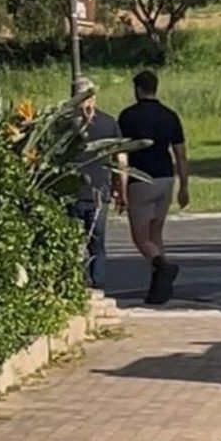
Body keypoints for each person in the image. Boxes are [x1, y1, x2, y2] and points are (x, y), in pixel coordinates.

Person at [118, 70, 189, 305]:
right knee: (156, 234)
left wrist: (121, 188)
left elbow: (122, 156)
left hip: (141, 179)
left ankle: (162, 266)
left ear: (138, 89)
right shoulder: (170, 116)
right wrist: (184, 186)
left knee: (141, 238)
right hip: (165, 177)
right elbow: (180, 154)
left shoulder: (128, 117)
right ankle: (159, 286)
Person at [71, 78, 126, 289]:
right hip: (99, 191)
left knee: (73, 242)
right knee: (97, 243)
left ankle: (75, 283)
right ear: (93, 96)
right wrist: (121, 190)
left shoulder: (64, 123)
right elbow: (120, 159)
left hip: (71, 190)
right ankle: (98, 284)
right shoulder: (108, 122)